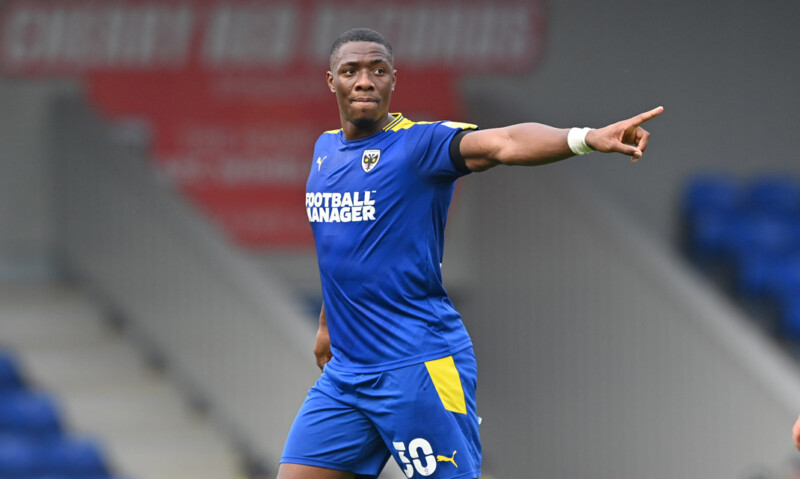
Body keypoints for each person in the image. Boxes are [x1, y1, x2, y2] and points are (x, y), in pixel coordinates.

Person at [279, 27, 663, 479]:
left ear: (393, 80)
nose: (364, 81)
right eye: (351, 71)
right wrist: (328, 324)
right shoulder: (325, 150)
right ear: (332, 81)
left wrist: (584, 138)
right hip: (347, 374)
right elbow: (342, 247)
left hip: (418, 367)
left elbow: (504, 143)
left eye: (377, 70)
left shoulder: (419, 146)